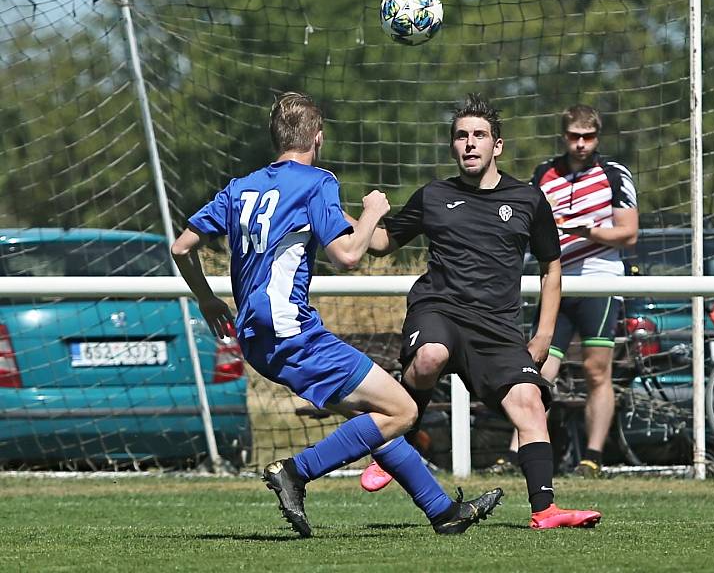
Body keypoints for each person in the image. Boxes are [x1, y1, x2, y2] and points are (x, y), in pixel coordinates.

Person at [171, 91, 503, 538]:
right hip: (292, 332)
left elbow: (181, 247)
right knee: (402, 409)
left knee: (369, 418)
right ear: (318, 138)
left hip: (256, 338)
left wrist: (208, 299)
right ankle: (294, 471)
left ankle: (443, 513)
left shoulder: (240, 186)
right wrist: (372, 213)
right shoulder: (316, 182)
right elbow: (347, 255)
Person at [358, 93, 602, 529]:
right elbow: (380, 245)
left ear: (497, 146)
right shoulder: (432, 196)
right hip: (439, 308)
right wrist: (358, 216)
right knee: (431, 355)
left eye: (479, 135)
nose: (470, 143)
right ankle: (395, 439)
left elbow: (551, 266)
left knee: (529, 403)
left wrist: (545, 332)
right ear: (452, 146)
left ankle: (545, 511)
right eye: (461, 136)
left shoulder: (528, 199)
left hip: (496, 326)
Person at [528, 104, 639, 477]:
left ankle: (592, 457)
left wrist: (582, 230)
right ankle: (521, 452)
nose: (580, 144)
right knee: (538, 366)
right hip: (554, 278)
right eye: (574, 136)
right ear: (564, 136)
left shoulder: (613, 174)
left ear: (597, 137)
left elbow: (628, 233)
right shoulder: (544, 173)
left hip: (599, 278)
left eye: (587, 137)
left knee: (596, 371)